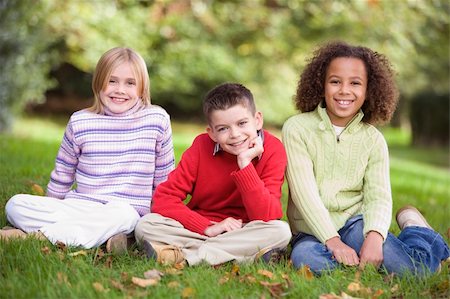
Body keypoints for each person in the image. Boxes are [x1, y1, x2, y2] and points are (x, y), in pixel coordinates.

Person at [282, 41, 449, 275]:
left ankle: (415, 228)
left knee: (417, 271)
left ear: (368, 90)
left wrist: (374, 235)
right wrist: (332, 240)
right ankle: (351, 257)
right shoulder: (297, 129)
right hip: (310, 230)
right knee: (307, 260)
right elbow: (304, 195)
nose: (344, 91)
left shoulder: (373, 140)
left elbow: (378, 195)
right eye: (335, 81)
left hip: (355, 224)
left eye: (355, 83)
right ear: (321, 85)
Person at [1, 47, 175, 253]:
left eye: (130, 83)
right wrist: (52, 206)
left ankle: (36, 237)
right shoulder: (81, 121)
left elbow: (165, 179)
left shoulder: (156, 120)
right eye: (112, 81)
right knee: (15, 205)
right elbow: (63, 173)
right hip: (80, 206)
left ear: (142, 88)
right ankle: (104, 237)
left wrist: (156, 220)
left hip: (126, 210)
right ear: (98, 82)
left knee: (121, 216)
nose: (120, 89)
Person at [135, 82, 291, 266]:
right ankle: (240, 256)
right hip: (201, 227)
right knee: (146, 224)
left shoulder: (273, 149)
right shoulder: (201, 146)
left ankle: (184, 256)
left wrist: (245, 165)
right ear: (212, 133)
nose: (235, 134)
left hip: (245, 230)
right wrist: (207, 227)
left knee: (280, 231)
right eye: (223, 128)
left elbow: (267, 214)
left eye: (242, 123)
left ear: (257, 120)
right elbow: (164, 198)